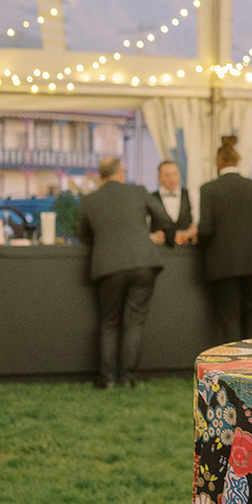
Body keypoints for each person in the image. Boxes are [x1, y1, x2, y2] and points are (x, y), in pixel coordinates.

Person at [76, 156, 164, 389]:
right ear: (121, 172)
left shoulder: (89, 200)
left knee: (109, 322)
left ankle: (108, 379)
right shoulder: (138, 191)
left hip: (108, 266)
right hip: (144, 262)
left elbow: (83, 236)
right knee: (134, 322)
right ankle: (128, 378)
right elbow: (163, 217)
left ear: (100, 176)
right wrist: (154, 234)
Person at [197, 136, 252, 343]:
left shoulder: (209, 189)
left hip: (223, 263)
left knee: (229, 316)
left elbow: (205, 230)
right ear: (237, 160)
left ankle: (233, 367)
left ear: (218, 162)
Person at [147, 158, 197, 248]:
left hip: (186, 251)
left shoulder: (191, 196)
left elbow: (196, 225)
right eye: (167, 175)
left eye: (175, 174)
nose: (172, 178)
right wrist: (152, 237)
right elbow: (144, 228)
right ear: (159, 178)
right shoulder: (150, 198)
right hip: (160, 252)